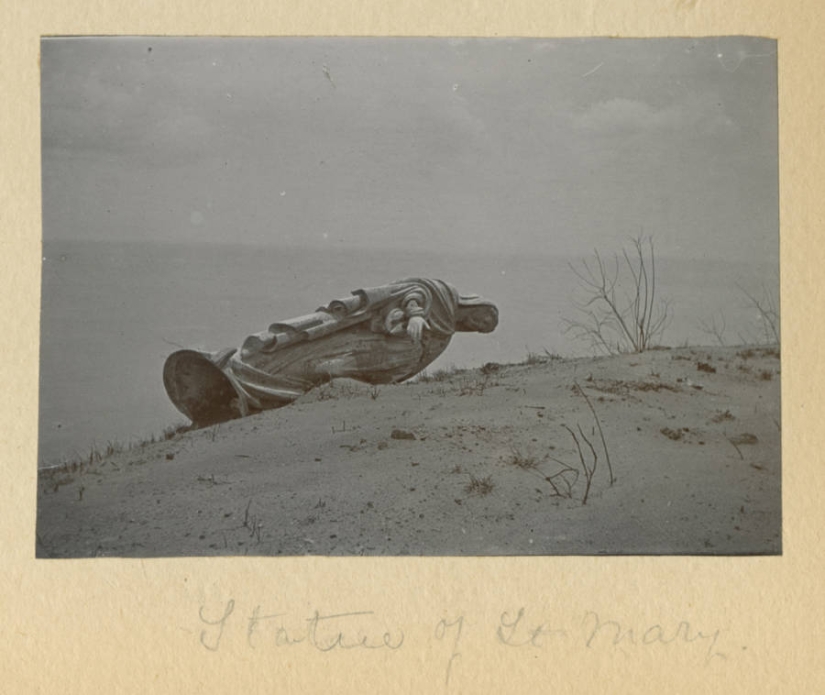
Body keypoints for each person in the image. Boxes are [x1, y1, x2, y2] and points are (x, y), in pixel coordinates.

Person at [163, 278, 498, 426]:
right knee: (306, 356)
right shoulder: (441, 294)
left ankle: (253, 397)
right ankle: (239, 374)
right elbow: (415, 293)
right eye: (481, 317)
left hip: (373, 358)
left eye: (481, 328)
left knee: (320, 373)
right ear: (474, 303)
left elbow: (410, 363)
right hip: (355, 338)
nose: (478, 325)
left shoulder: (445, 336)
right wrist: (414, 316)